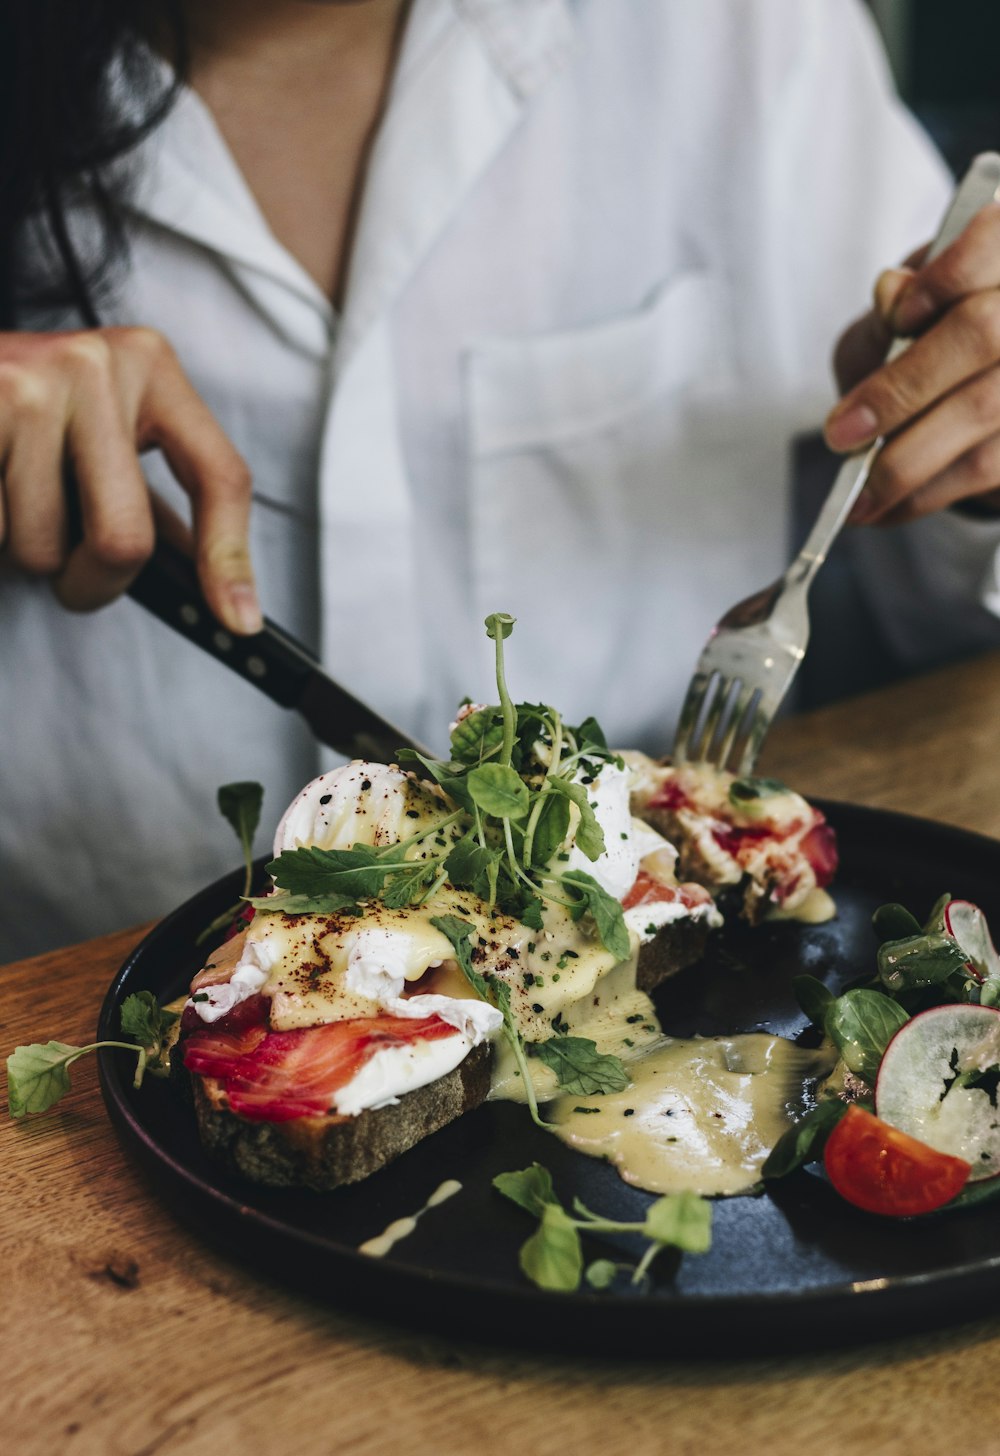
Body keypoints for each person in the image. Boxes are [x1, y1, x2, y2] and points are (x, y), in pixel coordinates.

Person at [3, 0, 1000, 961]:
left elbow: (948, 614)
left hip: (679, 965)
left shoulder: (746, 29)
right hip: (73, 959)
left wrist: (971, 457)